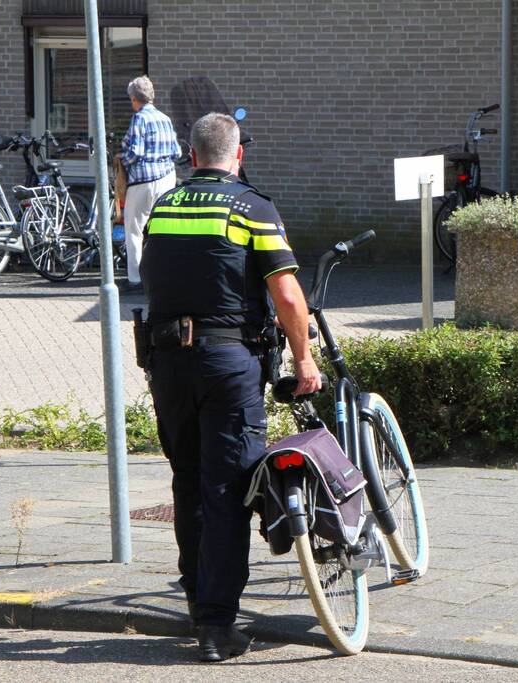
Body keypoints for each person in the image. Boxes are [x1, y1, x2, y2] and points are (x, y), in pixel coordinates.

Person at [139, 112, 321, 662]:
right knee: (225, 490)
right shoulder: (251, 207)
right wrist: (303, 358)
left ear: (192, 157)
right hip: (227, 364)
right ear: (237, 155)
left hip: (167, 364)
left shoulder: (165, 206)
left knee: (188, 484)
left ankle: (200, 605)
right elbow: (288, 297)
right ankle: (218, 628)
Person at [119, 75, 180, 293]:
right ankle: (166, 274)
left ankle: (135, 279)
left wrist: (121, 162)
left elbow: (135, 152)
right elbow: (177, 152)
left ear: (134, 98)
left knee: (134, 229)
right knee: (163, 228)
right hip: (167, 179)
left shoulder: (139, 118)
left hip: (143, 180)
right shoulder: (165, 118)